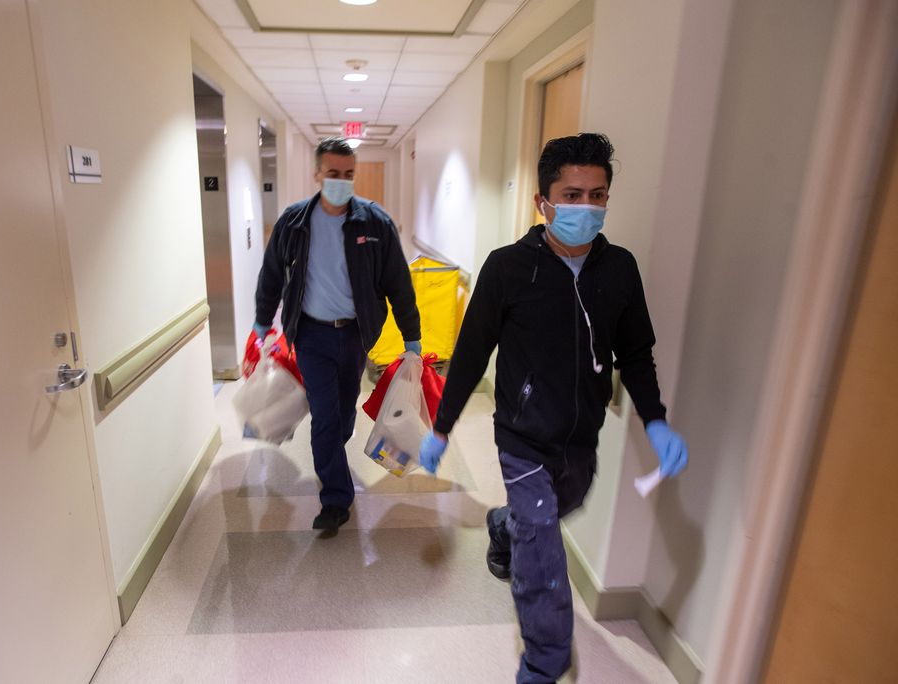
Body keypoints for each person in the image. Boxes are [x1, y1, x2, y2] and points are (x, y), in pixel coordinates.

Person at [418, 133, 688, 683]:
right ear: (542, 202)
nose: (586, 207)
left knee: (552, 510)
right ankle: (544, 662)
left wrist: (655, 420)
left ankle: (503, 525)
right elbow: (471, 352)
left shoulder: (620, 270)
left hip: (579, 439)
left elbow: (635, 353)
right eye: (572, 194)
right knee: (541, 548)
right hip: (521, 435)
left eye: (598, 195)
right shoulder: (507, 269)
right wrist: (442, 427)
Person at [254, 136, 421, 532]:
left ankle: (332, 455)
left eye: (348, 175)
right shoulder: (294, 222)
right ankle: (335, 500)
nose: (341, 182)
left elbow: (398, 281)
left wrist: (411, 337)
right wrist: (263, 323)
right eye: (333, 174)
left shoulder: (374, 222)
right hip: (310, 335)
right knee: (326, 418)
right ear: (317, 174)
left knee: (344, 416)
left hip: (357, 336)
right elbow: (272, 274)